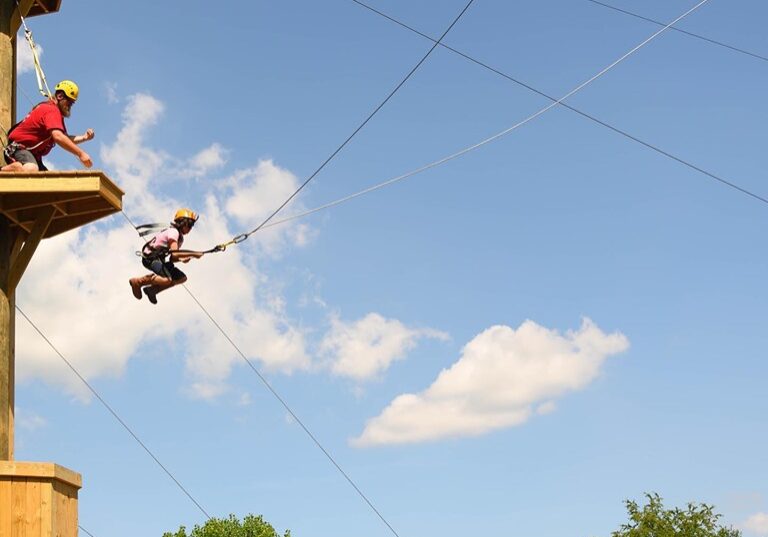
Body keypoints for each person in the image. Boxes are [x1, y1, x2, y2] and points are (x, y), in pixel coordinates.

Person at [1, 80, 94, 172]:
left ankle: (19, 167)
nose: (69, 106)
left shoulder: (53, 112)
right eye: (68, 102)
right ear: (60, 96)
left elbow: (64, 138)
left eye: (72, 103)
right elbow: (58, 136)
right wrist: (81, 153)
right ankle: (7, 169)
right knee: (31, 169)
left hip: (31, 154)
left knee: (48, 182)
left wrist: (84, 137)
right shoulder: (51, 110)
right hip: (17, 149)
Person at [129, 209, 205, 305]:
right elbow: (175, 253)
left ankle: (152, 290)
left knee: (181, 278)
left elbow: (173, 258)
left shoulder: (180, 238)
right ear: (182, 223)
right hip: (150, 258)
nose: (190, 228)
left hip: (159, 259)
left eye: (192, 226)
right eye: (189, 225)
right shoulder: (174, 232)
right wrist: (194, 254)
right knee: (167, 279)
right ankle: (138, 282)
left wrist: (182, 259)